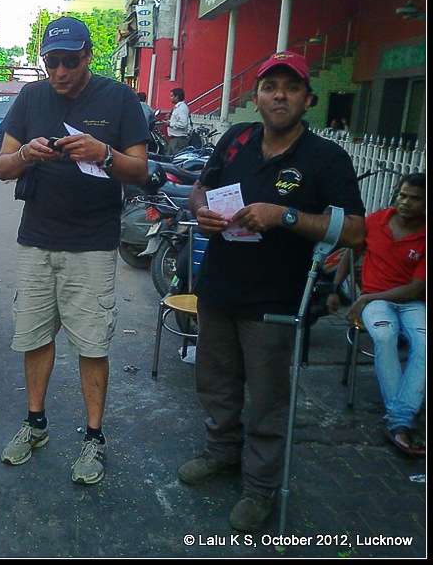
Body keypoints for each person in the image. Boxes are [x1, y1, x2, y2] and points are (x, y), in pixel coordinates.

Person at [181, 50, 366, 531]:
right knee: (217, 384)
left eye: (290, 86)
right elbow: (204, 186)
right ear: (256, 97)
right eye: (269, 86)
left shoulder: (326, 158)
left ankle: (261, 488)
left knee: (266, 398)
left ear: (308, 98)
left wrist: (284, 215)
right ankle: (221, 452)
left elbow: (355, 232)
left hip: (275, 300)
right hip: (219, 288)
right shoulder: (236, 138)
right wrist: (202, 210)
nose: (278, 94)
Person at [0, 16, 149, 485]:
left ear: (88, 57)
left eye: (69, 61)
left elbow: (140, 171)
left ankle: (94, 438)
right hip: (37, 238)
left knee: (91, 342)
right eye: (51, 62)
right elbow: (2, 166)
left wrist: (103, 152)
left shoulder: (119, 99)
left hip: (92, 244)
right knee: (35, 336)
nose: (59, 71)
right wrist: (27, 155)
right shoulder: (31, 97)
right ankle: (35, 424)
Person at [327, 172, 426, 456]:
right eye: (403, 195)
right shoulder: (375, 221)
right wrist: (335, 288)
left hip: (411, 302)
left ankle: (398, 421)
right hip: (376, 303)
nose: (406, 202)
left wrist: (367, 297)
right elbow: (351, 253)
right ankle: (402, 422)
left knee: (425, 344)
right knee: (385, 335)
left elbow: (414, 289)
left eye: (415, 199)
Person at [165, 87, 190, 155]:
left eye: (172, 96)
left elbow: (183, 124)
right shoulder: (178, 107)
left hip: (178, 140)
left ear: (177, 97)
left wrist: (170, 124)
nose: (170, 98)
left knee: (175, 160)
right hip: (174, 139)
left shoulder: (182, 108)